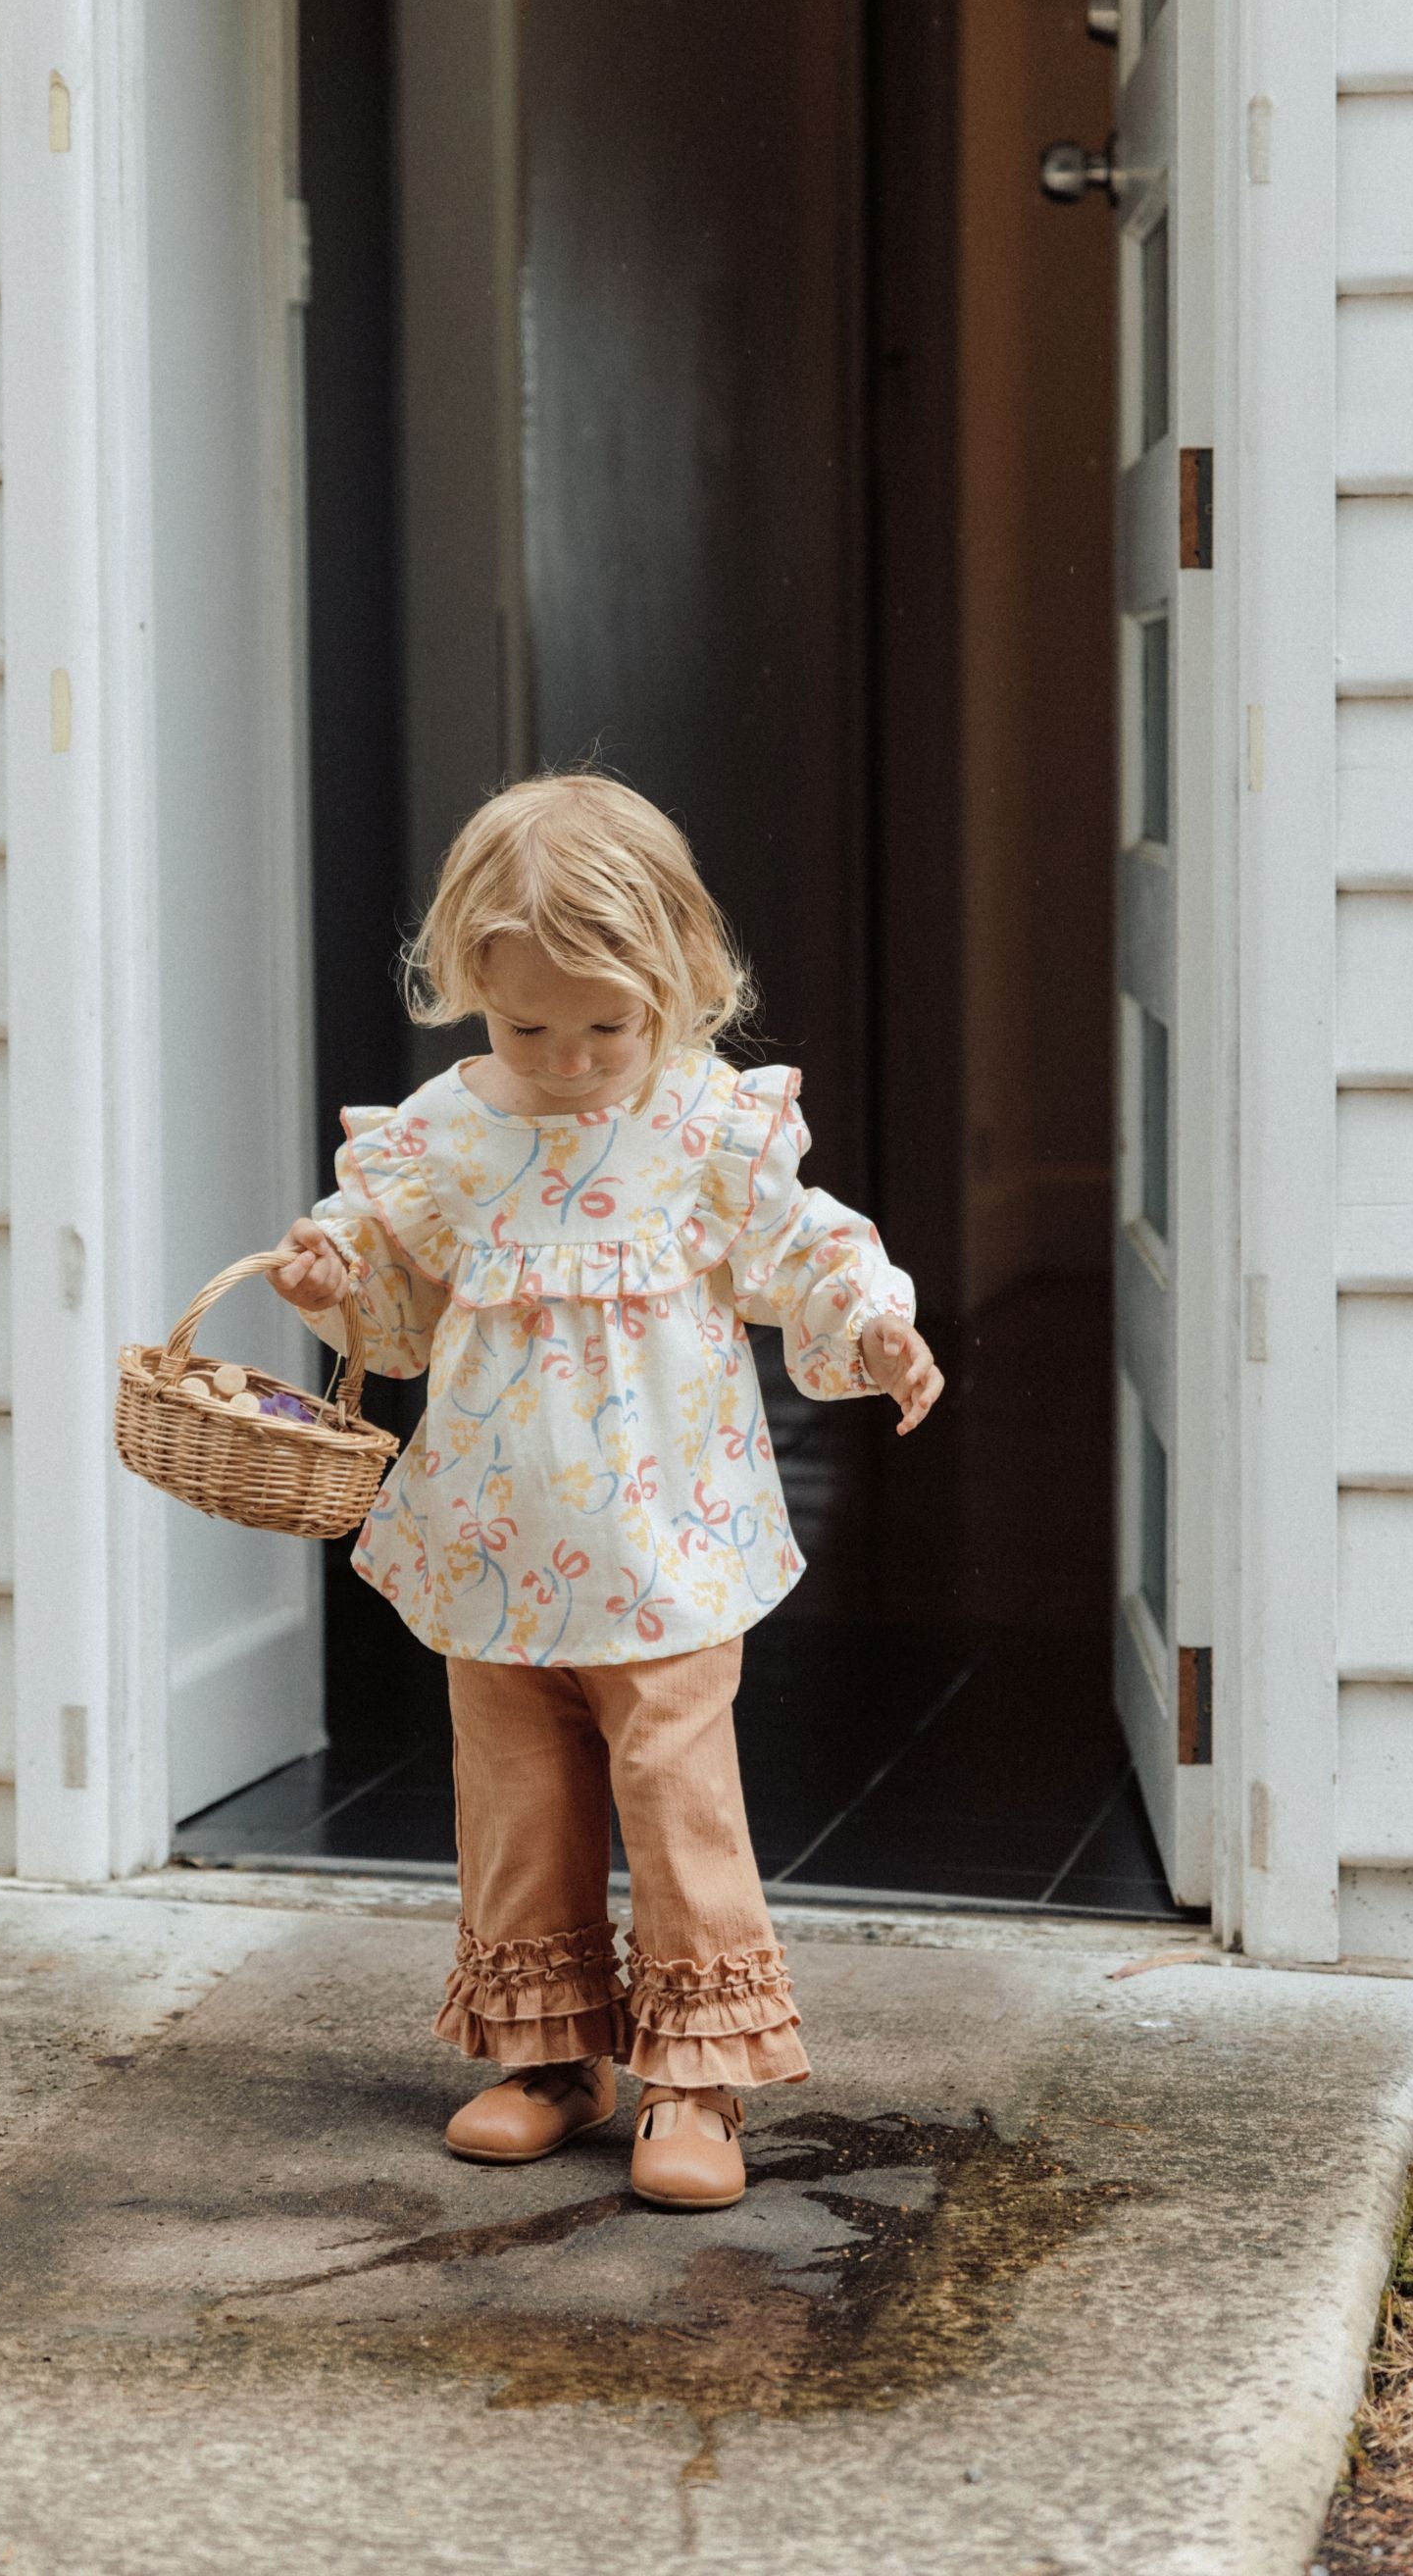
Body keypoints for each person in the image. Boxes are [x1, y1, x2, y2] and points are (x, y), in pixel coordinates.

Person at [271, 773, 941, 2208]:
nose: (570, 1063)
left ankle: (693, 2079)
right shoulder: (447, 1135)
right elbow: (389, 1293)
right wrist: (337, 1279)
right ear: (469, 987)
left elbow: (804, 1249)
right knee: (518, 1797)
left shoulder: (706, 1128)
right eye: (529, 1027)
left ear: (679, 985)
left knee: (675, 1791)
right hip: (492, 1548)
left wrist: (874, 1320)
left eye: (606, 1027)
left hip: (667, 1545)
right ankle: (549, 2055)